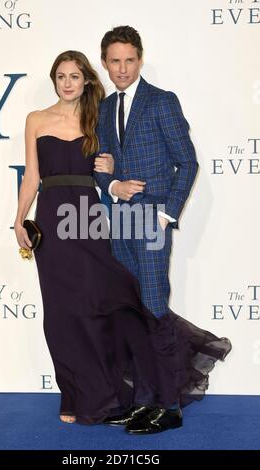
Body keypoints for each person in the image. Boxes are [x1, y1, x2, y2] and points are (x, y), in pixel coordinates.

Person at [95, 26, 232, 434]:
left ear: (140, 59)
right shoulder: (104, 108)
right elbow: (103, 167)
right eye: (114, 61)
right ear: (104, 62)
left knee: (154, 310)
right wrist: (112, 186)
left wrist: (165, 215)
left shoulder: (161, 102)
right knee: (130, 315)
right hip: (119, 223)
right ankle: (141, 401)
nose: (122, 68)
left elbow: (186, 163)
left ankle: (170, 406)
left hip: (151, 223)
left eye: (129, 60)